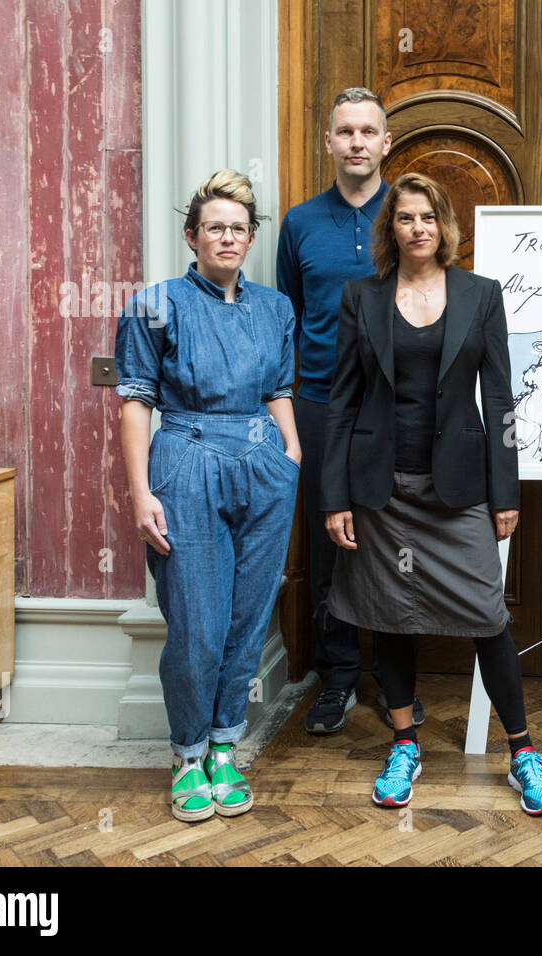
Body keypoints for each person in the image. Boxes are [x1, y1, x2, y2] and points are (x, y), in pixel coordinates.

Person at [320, 172, 542, 815]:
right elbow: (341, 403)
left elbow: (503, 400)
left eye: (428, 217)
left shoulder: (481, 295)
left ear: (445, 226)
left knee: (489, 618)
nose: (418, 228)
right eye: (405, 218)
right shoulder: (360, 298)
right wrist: (335, 496)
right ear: (390, 228)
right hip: (381, 489)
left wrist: (504, 492)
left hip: (459, 490)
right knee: (390, 617)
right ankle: (404, 742)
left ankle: (523, 752)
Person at [116, 169, 300, 822]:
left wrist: (292, 454)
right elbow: (136, 400)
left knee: (248, 617)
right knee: (197, 623)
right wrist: (141, 492)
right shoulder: (153, 304)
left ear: (251, 239)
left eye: (238, 229)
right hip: (184, 463)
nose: (227, 237)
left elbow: (280, 387)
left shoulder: (276, 308)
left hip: (262, 468)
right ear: (192, 236)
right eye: (214, 227)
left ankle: (225, 745)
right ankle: (187, 755)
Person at [277, 87, 425, 733]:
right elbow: (289, 317)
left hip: (396, 407)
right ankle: (336, 679)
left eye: (369, 131)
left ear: (386, 142)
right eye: (346, 131)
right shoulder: (299, 223)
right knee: (329, 545)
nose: (358, 142)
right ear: (330, 142)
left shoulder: (411, 214)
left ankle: (397, 683)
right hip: (317, 405)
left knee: (399, 544)